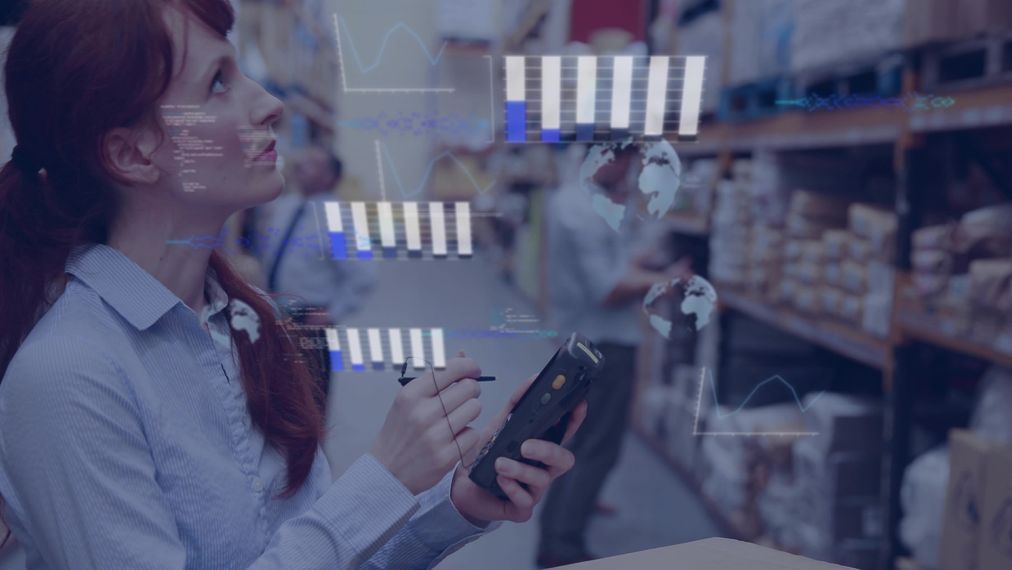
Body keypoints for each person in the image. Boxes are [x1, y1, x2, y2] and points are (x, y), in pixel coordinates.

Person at [0, 1, 585, 568]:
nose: (271, 104)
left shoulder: (246, 327)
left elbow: (326, 554)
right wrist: (384, 478)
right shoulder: (70, 376)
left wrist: (456, 505)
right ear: (131, 153)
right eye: (219, 83)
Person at [538, 145, 690, 567]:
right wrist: (667, 281)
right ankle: (561, 547)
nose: (629, 172)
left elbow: (613, 262)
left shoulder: (581, 201)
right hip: (602, 345)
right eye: (626, 162)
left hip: (586, 340)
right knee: (597, 448)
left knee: (580, 442)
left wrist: (647, 261)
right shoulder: (582, 210)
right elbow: (606, 290)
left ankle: (560, 528)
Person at [254, 145, 377, 411]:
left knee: (310, 399)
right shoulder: (287, 206)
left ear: (330, 178)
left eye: (313, 163)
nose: (301, 166)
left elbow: (364, 274)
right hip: (274, 315)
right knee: (279, 395)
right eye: (304, 160)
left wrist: (333, 313)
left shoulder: (339, 220)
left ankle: (311, 451)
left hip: (308, 320)